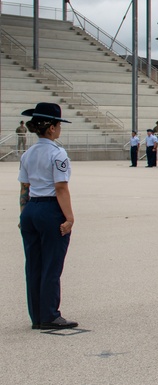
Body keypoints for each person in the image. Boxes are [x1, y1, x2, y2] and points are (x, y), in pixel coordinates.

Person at [18, 102, 78, 330]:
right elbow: (61, 187)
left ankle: (37, 315)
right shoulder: (57, 153)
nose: (59, 128)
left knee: (34, 265)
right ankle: (50, 315)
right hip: (50, 209)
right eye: (58, 124)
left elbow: (24, 187)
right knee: (52, 265)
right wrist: (70, 218)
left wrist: (23, 214)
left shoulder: (28, 154)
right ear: (51, 128)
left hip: (31, 209)